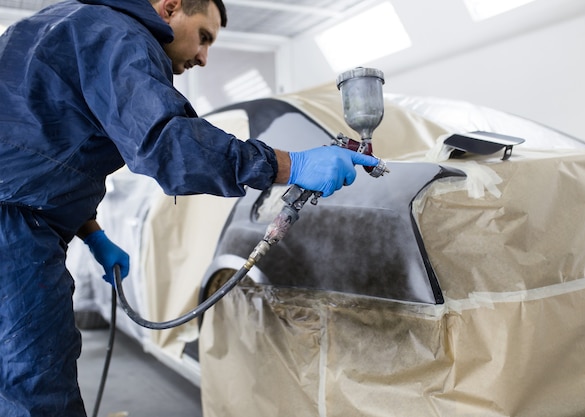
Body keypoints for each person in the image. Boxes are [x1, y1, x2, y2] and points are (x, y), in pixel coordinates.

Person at [0, 0, 379, 415]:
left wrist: (93, 233)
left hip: (20, 215)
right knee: (35, 386)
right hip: (14, 229)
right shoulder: (118, 34)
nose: (203, 57)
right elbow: (169, 144)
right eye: (203, 36)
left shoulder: (61, 22)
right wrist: (292, 164)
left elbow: (44, 150)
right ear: (170, 7)